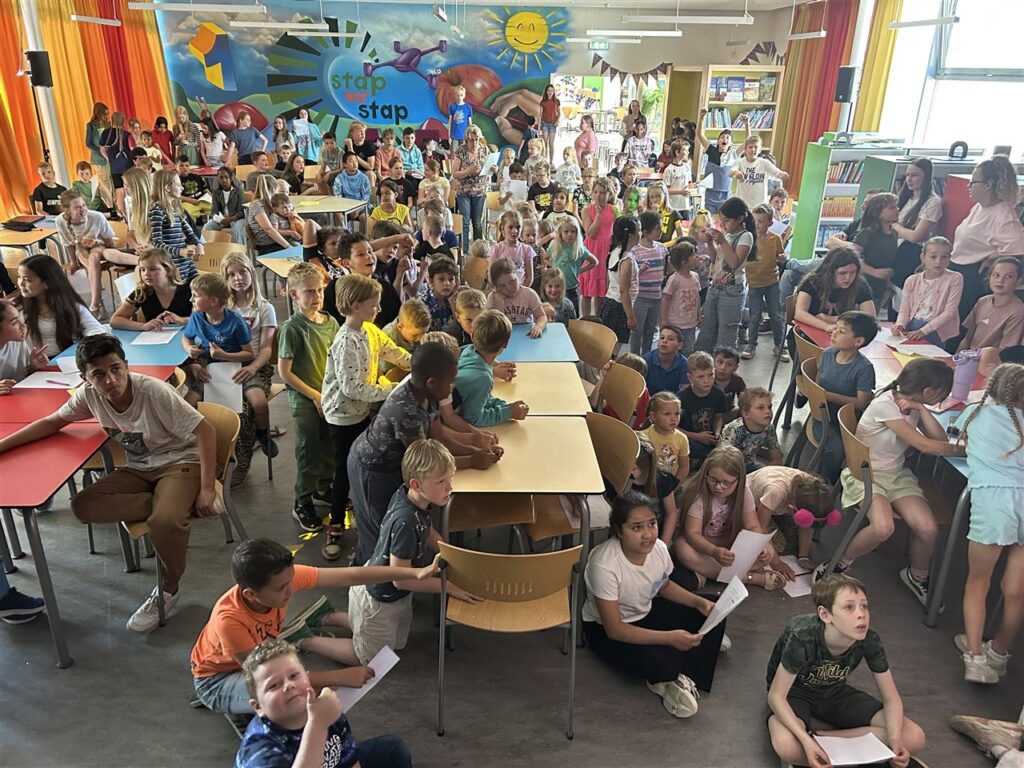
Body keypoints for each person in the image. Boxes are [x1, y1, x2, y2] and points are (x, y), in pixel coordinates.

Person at [0, 334, 218, 631]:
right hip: (139, 468)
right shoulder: (89, 395)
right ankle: (170, 504)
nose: (110, 380)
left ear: (126, 366)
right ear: (85, 378)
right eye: (99, 374)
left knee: (164, 521)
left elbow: (205, 431)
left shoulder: (152, 392)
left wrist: (206, 488)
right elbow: (52, 422)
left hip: (179, 462)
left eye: (116, 369)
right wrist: (3, 446)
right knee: (83, 505)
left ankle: (169, 586)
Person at [191, 538, 437, 716]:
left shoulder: (281, 579)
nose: (291, 589)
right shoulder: (229, 620)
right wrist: (339, 677)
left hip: (256, 657)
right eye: (281, 588)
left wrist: (412, 573)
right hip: (216, 680)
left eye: (291, 580)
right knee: (291, 698)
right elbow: (269, 677)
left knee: (301, 691)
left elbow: (350, 576)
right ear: (251, 594)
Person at [816, 359, 968, 609]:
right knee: (882, 527)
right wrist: (964, 450)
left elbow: (938, 439)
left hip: (896, 474)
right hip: (865, 474)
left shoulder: (911, 403)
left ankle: (916, 576)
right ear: (928, 391)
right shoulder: (886, 405)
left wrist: (921, 408)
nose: (945, 397)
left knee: (928, 529)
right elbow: (926, 446)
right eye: (942, 393)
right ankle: (838, 564)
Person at [347, 342, 501, 565]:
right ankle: (368, 576)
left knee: (389, 526)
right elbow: (425, 465)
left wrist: (478, 451)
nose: (452, 388)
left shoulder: (429, 396)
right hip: (373, 469)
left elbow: (440, 438)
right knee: (379, 534)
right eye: (450, 382)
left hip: (397, 463)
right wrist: (472, 461)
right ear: (432, 382)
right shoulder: (407, 410)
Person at [583, 491, 725, 718]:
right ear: (619, 530)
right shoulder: (605, 564)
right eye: (636, 527)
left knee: (714, 606)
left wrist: (698, 602)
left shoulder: (658, 549)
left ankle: (686, 669)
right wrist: (669, 638)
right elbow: (614, 629)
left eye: (651, 524)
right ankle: (673, 671)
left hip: (644, 611)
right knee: (661, 661)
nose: (648, 534)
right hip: (606, 630)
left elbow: (663, 585)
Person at [767, 574, 927, 768]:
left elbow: (891, 698)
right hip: (796, 694)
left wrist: (894, 739)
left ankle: (822, 742)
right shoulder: (803, 636)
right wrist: (804, 740)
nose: (861, 614)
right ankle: (830, 749)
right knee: (786, 744)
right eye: (849, 607)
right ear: (825, 615)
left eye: (864, 606)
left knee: (914, 736)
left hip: (833, 692)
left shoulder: (869, 639)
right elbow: (776, 696)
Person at [320, 274, 411, 561]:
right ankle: (336, 525)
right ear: (355, 306)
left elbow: (392, 351)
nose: (379, 309)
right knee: (345, 472)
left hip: (360, 412)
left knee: (359, 465)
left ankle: (362, 512)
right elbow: (352, 388)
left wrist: (416, 363)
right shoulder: (345, 341)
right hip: (342, 416)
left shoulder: (369, 330)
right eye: (374, 305)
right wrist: (391, 389)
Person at [234, 638, 413, 768]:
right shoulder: (260, 750)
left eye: (294, 676)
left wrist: (319, 722)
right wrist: (318, 725)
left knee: (392, 748)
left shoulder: (326, 710)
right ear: (258, 707)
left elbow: (349, 760)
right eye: (274, 685)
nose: (288, 685)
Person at [953, 363, 1024, 684]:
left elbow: (959, 441)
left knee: (978, 583)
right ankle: (999, 652)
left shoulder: (976, 414)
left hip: (993, 506)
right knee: (1016, 590)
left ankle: (975, 658)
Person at [277, 263, 340, 532]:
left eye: (320, 291)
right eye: (309, 292)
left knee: (329, 444)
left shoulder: (331, 322)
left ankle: (322, 488)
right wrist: (314, 396)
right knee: (309, 448)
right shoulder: (292, 328)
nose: (316, 297)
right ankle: (302, 500)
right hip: (305, 396)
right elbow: (285, 373)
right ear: (294, 295)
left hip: (328, 394)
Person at [675, 445, 786, 590]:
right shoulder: (699, 496)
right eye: (712, 480)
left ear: (739, 480)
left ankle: (708, 572)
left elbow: (752, 525)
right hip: (703, 547)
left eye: (726, 483)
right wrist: (713, 551)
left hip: (730, 546)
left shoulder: (744, 493)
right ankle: (749, 578)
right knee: (682, 549)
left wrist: (759, 547)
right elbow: (692, 533)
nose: (718, 487)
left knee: (769, 551)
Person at [221, 253, 278, 485]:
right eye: (231, 274)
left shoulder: (264, 308)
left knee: (254, 406)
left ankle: (260, 436)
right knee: (237, 413)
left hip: (256, 365)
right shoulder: (221, 307)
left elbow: (266, 348)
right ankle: (235, 460)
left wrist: (253, 367)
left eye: (242, 272)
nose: (238, 278)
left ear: (251, 273)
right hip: (226, 366)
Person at [950, 156, 1024, 322]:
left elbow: (1018, 249)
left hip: (973, 277)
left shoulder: (1003, 216)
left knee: (960, 324)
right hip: (958, 268)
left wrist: (992, 257)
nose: (968, 186)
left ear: (988, 185)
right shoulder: (979, 207)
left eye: (973, 182)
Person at [815, 310, 879, 483]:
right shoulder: (827, 354)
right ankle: (831, 482)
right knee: (837, 450)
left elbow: (861, 403)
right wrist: (821, 396)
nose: (833, 333)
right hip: (823, 417)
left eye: (841, 331)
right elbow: (817, 384)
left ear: (858, 341)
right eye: (835, 328)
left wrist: (826, 395)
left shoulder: (864, 368)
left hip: (850, 421)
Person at [181, 273, 254, 408]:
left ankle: (260, 425)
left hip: (238, 368)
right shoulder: (196, 316)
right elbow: (186, 337)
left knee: (259, 403)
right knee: (187, 405)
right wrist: (189, 348)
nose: (191, 299)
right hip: (211, 369)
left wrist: (223, 355)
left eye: (195, 295)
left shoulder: (236, 322)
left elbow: (249, 354)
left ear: (213, 301)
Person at [17, 253, 104, 358]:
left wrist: (90, 346)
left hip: (65, 359)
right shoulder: (17, 309)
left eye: (27, 280)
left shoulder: (70, 306)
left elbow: (95, 329)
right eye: (19, 277)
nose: (21, 283)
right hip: (32, 363)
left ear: (47, 283)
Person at [749, 465, 834, 571]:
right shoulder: (775, 492)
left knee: (795, 543)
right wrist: (776, 562)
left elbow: (807, 525)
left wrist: (804, 557)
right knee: (774, 547)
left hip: (774, 505)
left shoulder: (814, 487)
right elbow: (760, 526)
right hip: (749, 503)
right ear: (792, 506)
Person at [698, 197, 755, 352]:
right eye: (721, 220)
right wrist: (709, 242)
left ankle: (724, 365)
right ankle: (703, 364)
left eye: (727, 220)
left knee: (726, 335)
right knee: (707, 330)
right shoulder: (727, 234)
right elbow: (716, 260)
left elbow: (734, 263)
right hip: (715, 287)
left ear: (740, 219)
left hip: (732, 291)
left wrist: (722, 241)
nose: (723, 224)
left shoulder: (746, 236)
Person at [454, 309, 529, 427]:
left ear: (472, 335)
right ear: (506, 344)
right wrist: (508, 412)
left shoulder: (467, 350)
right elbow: (473, 418)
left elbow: (474, 395)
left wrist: (503, 406)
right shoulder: (482, 378)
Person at [55, 188, 118, 320]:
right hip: (82, 251)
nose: (83, 209)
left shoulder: (97, 216)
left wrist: (95, 244)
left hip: (101, 247)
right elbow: (69, 244)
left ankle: (95, 305)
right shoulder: (60, 221)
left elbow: (110, 244)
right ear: (67, 210)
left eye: (83, 205)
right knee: (91, 262)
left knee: (94, 257)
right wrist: (74, 262)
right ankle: (97, 304)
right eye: (77, 207)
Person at [893, 236, 963, 348]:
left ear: (949, 258)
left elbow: (950, 312)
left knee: (932, 356)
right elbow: (904, 310)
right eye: (933, 257)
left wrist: (923, 331)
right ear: (923, 257)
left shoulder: (955, 278)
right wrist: (900, 324)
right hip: (913, 325)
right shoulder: (911, 280)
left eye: (944, 257)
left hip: (937, 329)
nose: (938, 262)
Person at [794, 245, 876, 333]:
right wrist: (826, 326)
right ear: (830, 271)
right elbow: (799, 313)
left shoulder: (859, 284)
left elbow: (870, 318)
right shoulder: (813, 281)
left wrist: (829, 319)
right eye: (842, 273)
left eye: (853, 272)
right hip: (808, 333)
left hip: (841, 333)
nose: (848, 278)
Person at [891, 158, 943, 293]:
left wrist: (894, 225)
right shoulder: (905, 198)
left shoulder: (933, 202)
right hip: (893, 251)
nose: (909, 179)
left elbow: (916, 236)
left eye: (914, 175)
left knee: (901, 297)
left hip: (910, 256)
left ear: (926, 177)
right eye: (907, 175)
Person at [110, 247, 191, 331]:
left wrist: (182, 320)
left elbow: (200, 318)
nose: (146, 274)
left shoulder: (189, 290)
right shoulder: (142, 293)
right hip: (156, 336)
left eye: (152, 269)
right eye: (142, 270)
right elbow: (115, 320)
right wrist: (142, 326)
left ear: (168, 270)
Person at [743, 204, 785, 360]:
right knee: (754, 316)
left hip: (772, 282)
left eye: (761, 221)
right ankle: (751, 344)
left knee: (776, 315)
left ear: (770, 223)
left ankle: (779, 345)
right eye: (755, 220)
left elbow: (780, 256)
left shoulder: (775, 239)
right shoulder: (748, 238)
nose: (757, 224)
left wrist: (782, 258)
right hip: (753, 283)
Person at [958, 257, 1024, 353]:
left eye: (1008, 276)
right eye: (996, 275)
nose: (1000, 280)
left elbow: (1005, 351)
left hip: (992, 359)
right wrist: (955, 358)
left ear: (1018, 281)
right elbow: (967, 338)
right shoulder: (982, 301)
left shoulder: (1018, 311)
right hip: (969, 357)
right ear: (989, 277)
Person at [149, 168, 203, 283]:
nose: (182, 188)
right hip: (171, 264)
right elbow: (157, 243)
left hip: (185, 262)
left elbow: (188, 231)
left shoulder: (174, 209)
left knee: (198, 286)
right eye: (178, 185)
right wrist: (180, 252)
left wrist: (198, 244)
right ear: (167, 188)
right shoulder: (157, 211)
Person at [678, 351, 728, 471]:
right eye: (700, 377)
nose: (707, 380)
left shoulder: (719, 393)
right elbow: (674, 428)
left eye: (711, 375)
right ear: (690, 377)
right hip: (689, 438)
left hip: (709, 438)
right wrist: (697, 436)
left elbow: (718, 417)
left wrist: (717, 433)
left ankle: (707, 460)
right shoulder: (681, 398)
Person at [850, 192, 900, 309]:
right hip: (862, 288)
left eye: (896, 206)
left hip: (879, 290)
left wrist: (888, 284)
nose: (897, 209)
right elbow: (851, 258)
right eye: (892, 207)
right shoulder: (868, 233)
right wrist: (874, 271)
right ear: (878, 213)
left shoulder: (894, 234)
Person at [629, 211, 668, 355]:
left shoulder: (662, 248)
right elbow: (630, 277)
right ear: (646, 232)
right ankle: (634, 357)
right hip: (640, 298)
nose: (661, 231)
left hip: (656, 297)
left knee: (650, 330)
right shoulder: (635, 251)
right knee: (637, 331)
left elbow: (666, 269)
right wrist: (640, 270)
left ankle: (646, 356)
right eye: (657, 228)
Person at [578, 178, 619, 317]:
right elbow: (590, 233)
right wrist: (598, 216)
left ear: (609, 194)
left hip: (606, 250)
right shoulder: (586, 210)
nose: (598, 196)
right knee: (586, 292)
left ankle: (598, 318)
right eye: (595, 192)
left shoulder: (614, 209)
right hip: (592, 249)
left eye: (602, 193)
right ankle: (585, 318)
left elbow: (617, 230)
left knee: (600, 292)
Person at [719, 387, 783, 473]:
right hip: (729, 468)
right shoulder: (733, 430)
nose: (768, 411)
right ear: (746, 414)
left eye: (769, 407)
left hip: (749, 465)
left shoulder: (769, 428)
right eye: (760, 408)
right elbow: (721, 462)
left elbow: (777, 459)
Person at [696, 109, 743, 213]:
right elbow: (699, 134)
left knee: (724, 217)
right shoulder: (711, 151)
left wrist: (747, 124)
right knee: (709, 218)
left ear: (731, 143)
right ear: (718, 141)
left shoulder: (732, 155)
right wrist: (701, 118)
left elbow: (747, 142)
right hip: (711, 193)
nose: (724, 139)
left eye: (727, 138)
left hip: (725, 194)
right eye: (722, 137)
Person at [487, 257, 546, 338]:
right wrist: (499, 303)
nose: (508, 288)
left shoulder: (529, 294)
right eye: (502, 285)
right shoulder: (492, 298)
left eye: (512, 281)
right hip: (502, 337)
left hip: (526, 336)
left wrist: (538, 327)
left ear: (518, 276)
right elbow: (492, 325)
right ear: (496, 286)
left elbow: (542, 316)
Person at [548, 216, 596, 313]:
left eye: (572, 231)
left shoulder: (579, 249)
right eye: (566, 232)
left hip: (572, 289)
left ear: (577, 233)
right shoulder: (555, 246)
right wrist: (553, 266)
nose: (569, 234)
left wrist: (579, 270)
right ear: (560, 233)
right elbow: (545, 257)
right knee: (555, 313)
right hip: (556, 288)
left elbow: (594, 262)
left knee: (572, 313)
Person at [660, 243, 702, 355]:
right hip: (675, 324)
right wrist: (663, 320)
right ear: (684, 262)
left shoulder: (695, 276)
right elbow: (666, 299)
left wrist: (699, 314)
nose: (697, 257)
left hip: (691, 323)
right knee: (672, 349)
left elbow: (697, 296)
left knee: (688, 349)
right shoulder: (674, 279)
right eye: (693, 255)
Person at [451, 126, 489, 247]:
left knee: (477, 223)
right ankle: (465, 249)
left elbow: (488, 167)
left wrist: (493, 169)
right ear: (466, 140)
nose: (474, 143)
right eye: (471, 140)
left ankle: (479, 250)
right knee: (465, 222)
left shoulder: (484, 149)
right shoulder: (460, 151)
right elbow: (454, 174)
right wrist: (468, 171)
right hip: (464, 191)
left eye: (477, 139)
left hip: (480, 190)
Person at [642, 391, 690, 484]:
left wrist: (674, 486)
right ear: (653, 416)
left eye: (677, 413)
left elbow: (684, 466)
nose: (673, 418)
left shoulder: (682, 438)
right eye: (667, 414)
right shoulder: (644, 437)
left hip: (669, 483)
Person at [730, 131, 788, 209]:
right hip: (742, 204)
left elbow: (777, 173)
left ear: (760, 150)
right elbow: (730, 172)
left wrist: (782, 174)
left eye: (756, 147)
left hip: (760, 205)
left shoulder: (765, 163)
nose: (753, 150)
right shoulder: (739, 162)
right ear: (745, 149)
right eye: (750, 147)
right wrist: (736, 172)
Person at [0, 298, 48, 392]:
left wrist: (33, 367)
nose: (23, 325)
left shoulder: (17, 341)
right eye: (14, 322)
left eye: (19, 318)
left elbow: (22, 376)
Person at [204, 166, 246, 244]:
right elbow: (214, 211)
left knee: (238, 227)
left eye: (226, 177)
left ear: (231, 178)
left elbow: (242, 211)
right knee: (207, 227)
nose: (224, 180)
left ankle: (242, 250)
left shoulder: (238, 192)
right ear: (218, 179)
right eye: (221, 178)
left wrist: (231, 218)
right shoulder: (216, 193)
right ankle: (207, 249)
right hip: (222, 219)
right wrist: (219, 219)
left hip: (236, 219)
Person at [663, 141, 693, 220]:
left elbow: (689, 184)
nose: (688, 152)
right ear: (677, 152)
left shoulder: (687, 167)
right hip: (673, 206)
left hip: (685, 206)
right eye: (685, 150)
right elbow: (666, 190)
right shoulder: (669, 170)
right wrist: (680, 192)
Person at [85, 102, 111, 189]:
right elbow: (88, 143)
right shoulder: (91, 126)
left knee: (112, 182)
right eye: (105, 114)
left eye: (107, 113)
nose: (106, 116)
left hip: (109, 157)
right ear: (99, 113)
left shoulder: (108, 124)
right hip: (99, 159)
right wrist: (100, 150)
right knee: (105, 184)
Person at [537, 84, 560, 164]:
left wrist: (557, 121)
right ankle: (545, 160)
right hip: (545, 124)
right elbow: (540, 115)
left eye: (552, 91)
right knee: (545, 143)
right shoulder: (543, 102)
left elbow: (559, 113)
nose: (550, 92)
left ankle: (551, 162)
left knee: (551, 144)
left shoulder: (557, 101)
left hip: (553, 124)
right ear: (546, 92)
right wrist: (539, 128)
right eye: (549, 91)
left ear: (554, 92)